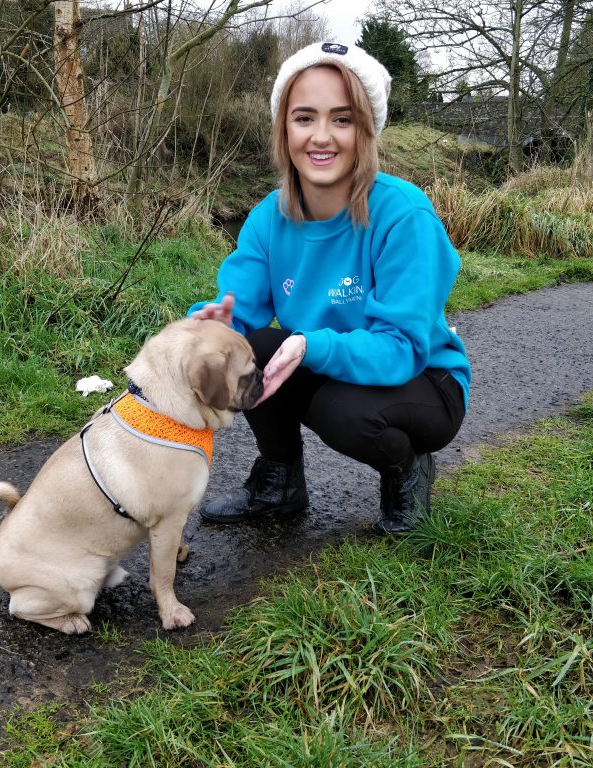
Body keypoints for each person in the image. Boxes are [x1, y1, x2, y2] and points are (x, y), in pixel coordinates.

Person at [188, 41, 471, 534]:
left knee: (342, 411)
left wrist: (309, 343)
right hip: (328, 361)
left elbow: (401, 347)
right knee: (248, 349)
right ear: (284, 129)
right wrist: (210, 330)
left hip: (423, 378)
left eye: (342, 119)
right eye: (304, 118)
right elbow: (240, 312)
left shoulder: (404, 214)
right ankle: (280, 482)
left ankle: (408, 473)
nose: (322, 137)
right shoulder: (266, 218)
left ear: (367, 130)